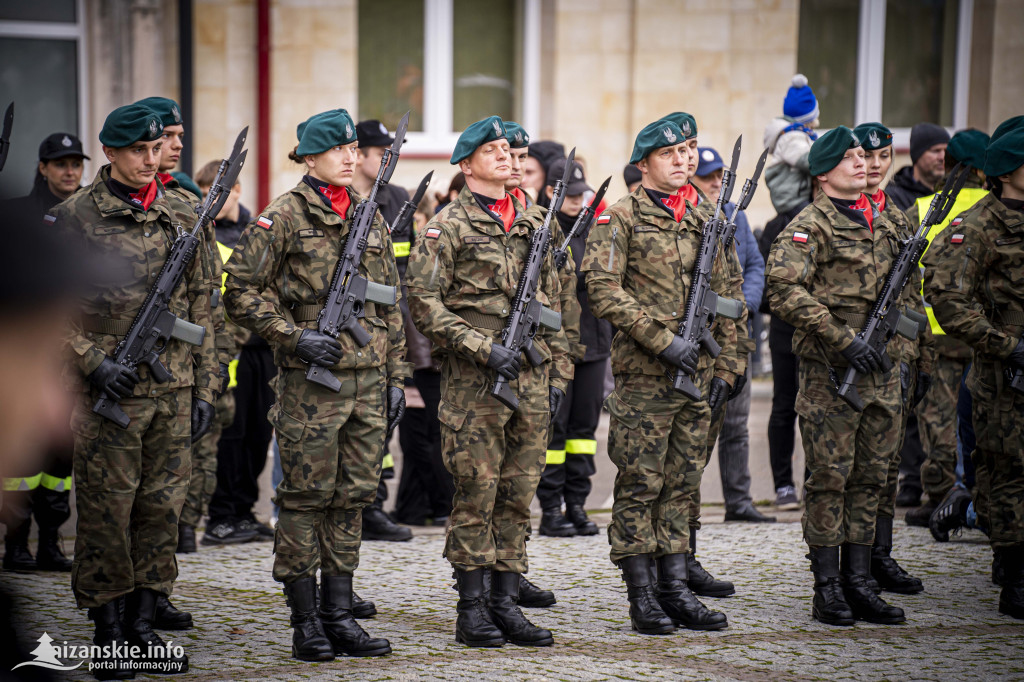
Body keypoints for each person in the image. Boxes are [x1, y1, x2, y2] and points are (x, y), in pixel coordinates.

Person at [224, 109, 407, 660]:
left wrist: (396, 376)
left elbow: (388, 302)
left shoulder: (368, 214)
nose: (350, 157)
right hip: (311, 385)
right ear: (308, 157)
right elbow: (241, 293)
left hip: (368, 384)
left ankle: (339, 612)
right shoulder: (281, 217)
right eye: (337, 149)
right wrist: (294, 338)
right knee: (305, 501)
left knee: (353, 499)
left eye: (354, 147)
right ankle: (305, 621)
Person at [50, 102, 216, 676]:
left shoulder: (185, 210)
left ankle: (144, 625)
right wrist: (92, 361)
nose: (151, 160)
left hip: (173, 390)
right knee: (106, 513)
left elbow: (202, 307)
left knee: (161, 511)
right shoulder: (74, 219)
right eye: (138, 151)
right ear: (111, 153)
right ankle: (109, 632)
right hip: (109, 398)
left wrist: (205, 389)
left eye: (156, 148)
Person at [406, 116, 570, 648]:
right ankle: (472, 608)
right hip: (475, 386)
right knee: (476, 493)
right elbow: (424, 304)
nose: (507, 156)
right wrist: (481, 347)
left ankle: (505, 602)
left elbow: (559, 301)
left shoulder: (537, 219)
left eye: (510, 149)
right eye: (492, 149)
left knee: (519, 495)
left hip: (531, 378)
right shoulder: (447, 226)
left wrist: (558, 370)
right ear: (465, 162)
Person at [582, 118, 744, 634]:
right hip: (646, 378)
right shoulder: (620, 217)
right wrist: (662, 339)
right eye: (671, 152)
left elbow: (730, 294)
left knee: (682, 486)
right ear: (644, 162)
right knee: (641, 484)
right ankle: (642, 594)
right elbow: (603, 290)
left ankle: (675, 587)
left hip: (699, 375)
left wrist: (731, 363)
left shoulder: (707, 215)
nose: (685, 160)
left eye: (690, 149)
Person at [766, 126, 910, 627]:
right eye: (849, 157)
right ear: (824, 173)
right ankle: (827, 587)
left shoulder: (888, 220)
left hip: (883, 373)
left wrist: (902, 350)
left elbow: (909, 295)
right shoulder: (810, 225)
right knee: (830, 480)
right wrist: (843, 338)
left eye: (863, 155)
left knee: (872, 480)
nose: (861, 162)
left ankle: (860, 580)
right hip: (833, 374)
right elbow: (782, 290)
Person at [922, 124, 1024, 620]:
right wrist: (1005, 345)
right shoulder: (980, 224)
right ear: (1010, 170)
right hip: (1006, 377)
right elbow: (945, 292)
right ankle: (1013, 571)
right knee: (1007, 471)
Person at [0, 132, 89, 574]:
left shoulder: (85, 214)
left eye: (75, 163)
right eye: (60, 164)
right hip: (25, 361)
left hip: (73, 357)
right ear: (43, 168)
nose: (70, 171)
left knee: (60, 460)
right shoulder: (15, 214)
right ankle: (16, 542)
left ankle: (52, 541)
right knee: (20, 456)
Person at [851, 121, 931, 596]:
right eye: (867, 158)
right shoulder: (833, 214)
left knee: (885, 466)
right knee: (852, 469)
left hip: (896, 357)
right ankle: (849, 567)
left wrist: (917, 356)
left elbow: (913, 293)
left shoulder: (898, 216)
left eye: (883, 158)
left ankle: (880, 555)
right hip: (855, 358)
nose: (875, 167)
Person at [901, 129, 990, 529]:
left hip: (934, 331)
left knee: (936, 415)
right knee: (983, 416)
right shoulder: (998, 208)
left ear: (949, 165)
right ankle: (983, 494)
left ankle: (942, 495)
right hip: (986, 334)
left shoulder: (923, 208)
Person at [689, 145, 772, 525]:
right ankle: (686, 506)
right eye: (707, 177)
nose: (715, 183)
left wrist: (745, 306)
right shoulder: (690, 217)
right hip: (698, 338)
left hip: (736, 336)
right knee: (696, 427)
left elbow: (754, 265)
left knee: (737, 424)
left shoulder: (734, 216)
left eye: (719, 176)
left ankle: (738, 500)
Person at [197, 163, 277, 547]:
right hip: (232, 351)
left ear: (239, 190)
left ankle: (245, 511)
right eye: (207, 190)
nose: (214, 198)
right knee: (232, 434)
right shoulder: (204, 235)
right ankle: (222, 516)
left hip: (266, 348)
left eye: (222, 190)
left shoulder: (259, 231)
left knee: (260, 434)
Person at [535, 156, 610, 538]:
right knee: (555, 430)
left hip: (594, 344)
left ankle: (577, 503)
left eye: (583, 194)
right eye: (571, 195)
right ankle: (551, 508)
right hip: (558, 346)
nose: (578, 201)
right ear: (552, 192)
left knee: (584, 430)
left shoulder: (592, 229)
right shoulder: (543, 231)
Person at [354, 118, 413, 543]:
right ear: (359, 154)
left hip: (387, 323)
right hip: (341, 329)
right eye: (381, 153)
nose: (389, 160)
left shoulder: (398, 198)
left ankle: (374, 505)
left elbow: (402, 270)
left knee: (381, 422)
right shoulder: (349, 198)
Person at [763, 74, 820, 216]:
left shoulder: (796, 135)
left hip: (795, 196)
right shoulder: (792, 137)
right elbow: (806, 161)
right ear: (809, 120)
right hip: (791, 200)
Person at [886, 122, 950, 212]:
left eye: (946, 151)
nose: (942, 157)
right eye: (936, 151)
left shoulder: (953, 190)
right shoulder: (895, 196)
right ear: (917, 155)